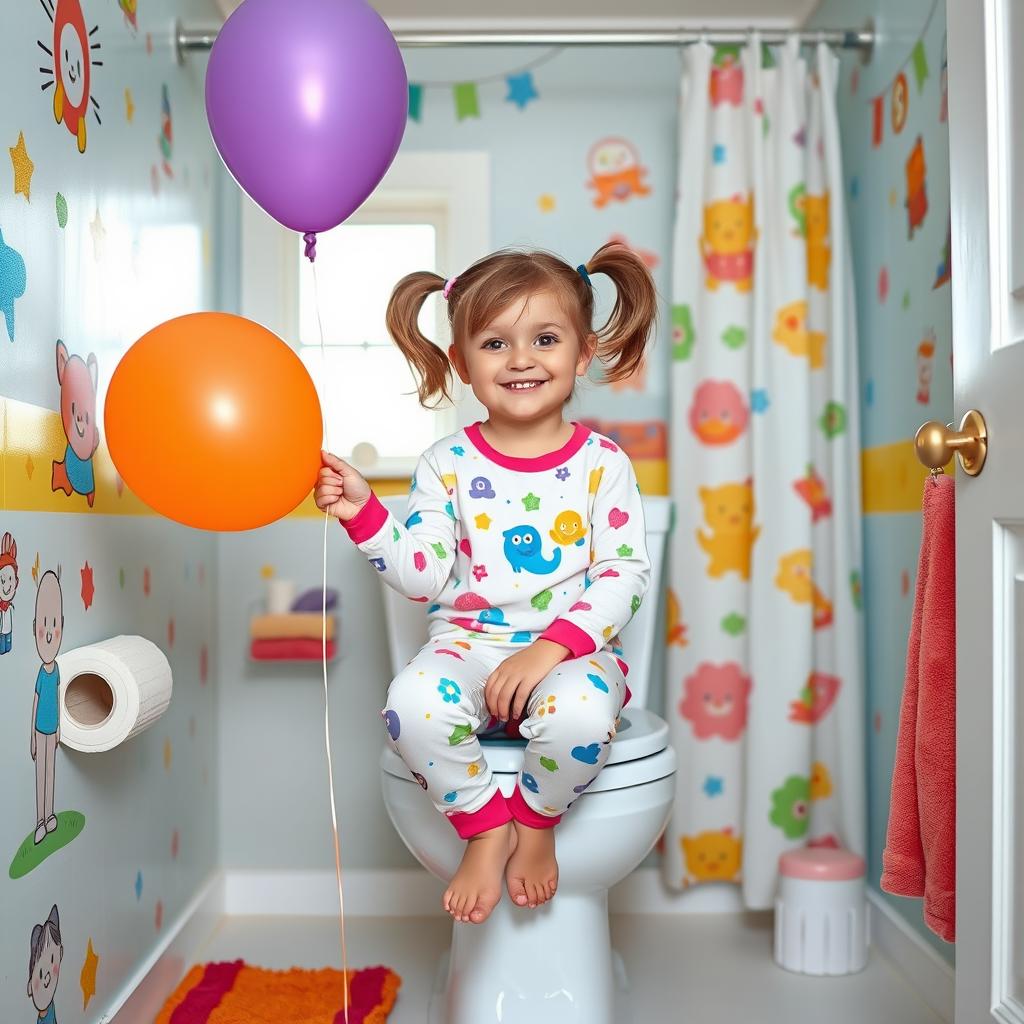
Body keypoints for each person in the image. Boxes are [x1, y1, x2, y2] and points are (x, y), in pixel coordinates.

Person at [316, 242, 657, 925]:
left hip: (571, 654)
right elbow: (424, 576)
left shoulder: (603, 464)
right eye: (496, 342)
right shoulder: (445, 463)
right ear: (464, 364)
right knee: (409, 706)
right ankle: (483, 823)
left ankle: (534, 825)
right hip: (468, 646)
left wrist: (550, 649)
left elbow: (624, 573)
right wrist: (364, 514)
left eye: (546, 338)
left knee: (583, 717)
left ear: (582, 354)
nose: (522, 358)